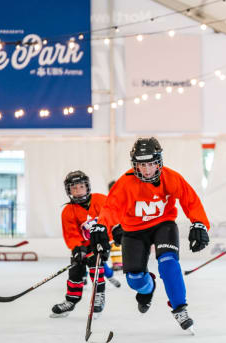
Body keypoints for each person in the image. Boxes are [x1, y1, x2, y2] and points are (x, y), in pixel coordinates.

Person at [90, 137, 210, 333]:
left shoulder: (171, 178)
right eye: (141, 164)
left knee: (169, 263)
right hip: (134, 231)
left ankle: (180, 307)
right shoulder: (125, 182)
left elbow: (191, 201)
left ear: (159, 162)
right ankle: (149, 287)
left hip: (164, 225)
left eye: (151, 164)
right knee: (135, 279)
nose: (146, 169)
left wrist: (199, 223)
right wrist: (102, 227)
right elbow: (111, 207)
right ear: (135, 164)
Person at [51, 171, 120, 318]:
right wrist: (77, 249)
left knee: (96, 267)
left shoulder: (101, 199)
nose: (78, 191)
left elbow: (112, 218)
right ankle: (71, 300)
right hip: (83, 246)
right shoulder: (68, 211)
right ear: (68, 190)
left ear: (87, 187)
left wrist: (116, 231)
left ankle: (98, 297)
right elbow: (71, 233)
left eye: (81, 187)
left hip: (101, 243)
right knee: (75, 271)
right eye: (74, 188)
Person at [107, 180, 123, 271]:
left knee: (118, 245)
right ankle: (117, 263)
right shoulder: (110, 200)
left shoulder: (122, 198)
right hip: (114, 225)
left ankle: (119, 263)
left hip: (120, 225)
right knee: (114, 245)